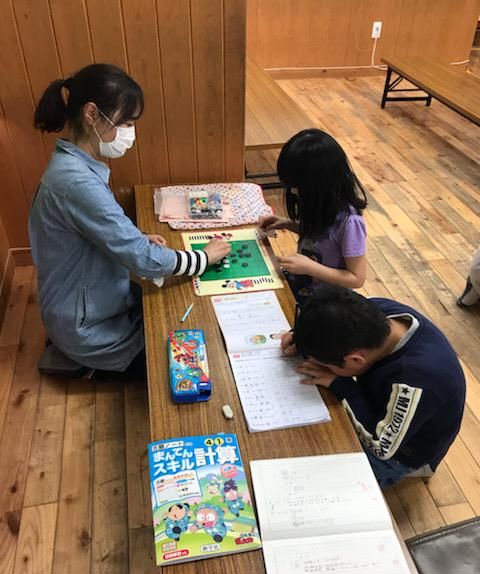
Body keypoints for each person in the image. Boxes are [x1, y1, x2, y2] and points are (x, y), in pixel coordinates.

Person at [30, 63, 230, 377]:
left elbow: (95, 231)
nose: (129, 133)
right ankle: (86, 363)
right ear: (92, 114)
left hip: (90, 302)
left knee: (174, 306)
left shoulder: (72, 165)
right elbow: (144, 260)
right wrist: (203, 258)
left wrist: (134, 238)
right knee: (196, 360)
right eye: (125, 123)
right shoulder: (75, 181)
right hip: (88, 328)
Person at [281, 284, 465, 487]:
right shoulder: (377, 312)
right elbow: (329, 320)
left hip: (402, 453)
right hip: (381, 407)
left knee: (307, 472)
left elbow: (381, 446)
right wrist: (301, 336)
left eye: (325, 365)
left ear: (355, 360)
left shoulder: (414, 379)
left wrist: (340, 385)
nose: (321, 367)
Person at [258, 128, 367, 303]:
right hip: (303, 287)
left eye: (298, 186)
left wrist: (311, 268)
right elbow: (321, 237)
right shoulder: (321, 205)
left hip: (329, 302)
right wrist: (287, 224)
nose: (293, 191)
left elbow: (356, 278)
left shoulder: (350, 223)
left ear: (320, 184)